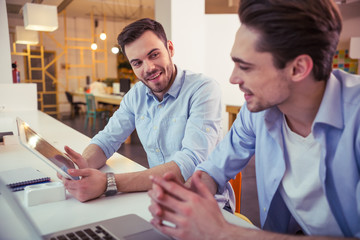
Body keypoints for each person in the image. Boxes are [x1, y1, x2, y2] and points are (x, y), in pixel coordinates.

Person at [148, 0, 360, 239]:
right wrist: (184, 199)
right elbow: (214, 169)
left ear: (298, 68)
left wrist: (222, 232)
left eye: (245, 67)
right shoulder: (257, 111)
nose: (232, 78)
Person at [58, 18, 226, 203]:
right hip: (157, 197)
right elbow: (107, 140)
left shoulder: (203, 89)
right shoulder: (135, 95)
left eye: (154, 55)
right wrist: (83, 166)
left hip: (205, 204)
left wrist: (109, 183)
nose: (149, 68)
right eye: (137, 63)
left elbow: (190, 163)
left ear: (170, 49)